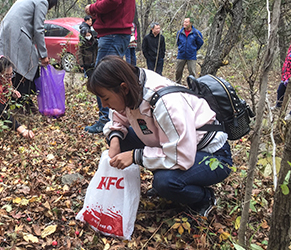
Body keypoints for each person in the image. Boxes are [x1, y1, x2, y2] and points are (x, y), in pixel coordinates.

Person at [87, 56, 232, 217]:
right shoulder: (133, 87)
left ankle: (204, 198)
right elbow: (119, 116)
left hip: (212, 156)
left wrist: (136, 156)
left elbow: (182, 157)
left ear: (123, 88)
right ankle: (166, 179)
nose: (104, 105)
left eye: (106, 98)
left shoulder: (165, 102)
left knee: (166, 182)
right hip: (172, 144)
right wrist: (115, 139)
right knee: (122, 140)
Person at [84, 0, 138, 133]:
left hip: (114, 33)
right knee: (114, 77)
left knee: (103, 77)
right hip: (113, 33)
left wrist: (92, 8)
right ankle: (120, 118)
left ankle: (107, 121)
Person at [0, 0, 59, 114]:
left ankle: (21, 101)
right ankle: (21, 101)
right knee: (28, 65)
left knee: (12, 66)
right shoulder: (42, 2)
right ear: (52, 1)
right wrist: (43, 55)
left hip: (7, 29)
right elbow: (39, 29)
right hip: (17, 33)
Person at [175, 17, 204, 84]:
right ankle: (177, 84)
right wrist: (181, 48)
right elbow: (178, 42)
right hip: (181, 55)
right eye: (184, 22)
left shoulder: (196, 33)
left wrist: (193, 49)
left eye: (186, 22)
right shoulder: (179, 32)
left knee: (192, 72)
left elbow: (200, 42)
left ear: (190, 23)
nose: (184, 23)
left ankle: (193, 86)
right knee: (178, 71)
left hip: (191, 56)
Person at [275, 43, 291, 109]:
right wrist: (284, 75)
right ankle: (278, 106)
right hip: (286, 76)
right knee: (280, 90)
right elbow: (287, 62)